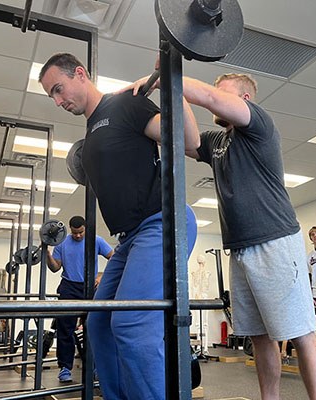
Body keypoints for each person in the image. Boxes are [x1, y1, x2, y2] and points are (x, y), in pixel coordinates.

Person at [125, 72, 316, 399]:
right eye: (217, 91)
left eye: (224, 92)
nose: (215, 96)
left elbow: (211, 99)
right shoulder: (218, 141)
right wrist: (130, 106)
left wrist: (168, 73)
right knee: (259, 337)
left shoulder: (259, 125)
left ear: (244, 100)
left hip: (275, 241)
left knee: (301, 333)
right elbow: (183, 140)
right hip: (240, 249)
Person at [38, 53, 198, 399]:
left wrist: (173, 84)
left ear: (80, 74)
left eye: (59, 89)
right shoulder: (93, 125)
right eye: (52, 95)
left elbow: (187, 141)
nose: (58, 100)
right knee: (99, 324)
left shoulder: (124, 106)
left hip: (162, 224)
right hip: (131, 238)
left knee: (131, 324)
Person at [47, 215, 114, 382]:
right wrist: (46, 254)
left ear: (86, 228)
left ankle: (96, 367)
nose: (78, 235)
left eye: (81, 232)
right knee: (65, 329)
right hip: (69, 286)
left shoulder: (96, 240)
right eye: (75, 233)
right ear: (70, 230)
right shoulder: (62, 243)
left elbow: (114, 258)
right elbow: (55, 268)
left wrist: (102, 277)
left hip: (90, 287)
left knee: (93, 327)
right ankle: (65, 368)